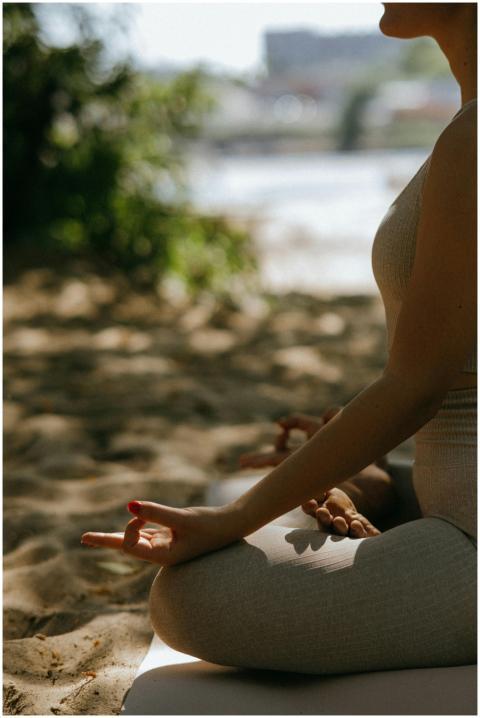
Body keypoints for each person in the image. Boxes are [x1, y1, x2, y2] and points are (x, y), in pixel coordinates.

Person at [81, 2, 477, 674]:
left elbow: (417, 384)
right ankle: (385, 489)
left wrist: (234, 520)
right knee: (251, 501)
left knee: (195, 593)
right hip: (452, 493)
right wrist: (373, 470)